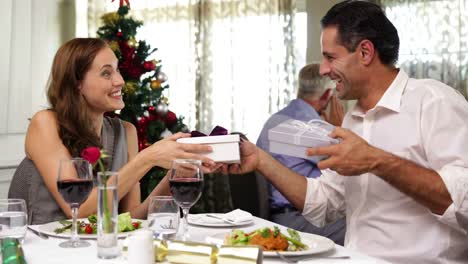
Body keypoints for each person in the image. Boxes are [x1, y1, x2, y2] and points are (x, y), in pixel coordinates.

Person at [224, 1, 468, 263]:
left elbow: (464, 204)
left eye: (330, 57)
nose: (323, 69)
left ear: (365, 52)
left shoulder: (433, 102)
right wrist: (260, 159)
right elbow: (323, 202)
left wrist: (377, 160)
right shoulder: (353, 120)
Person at [8, 38, 217, 225]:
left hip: (97, 251)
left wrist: (174, 175)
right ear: (77, 83)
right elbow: (79, 210)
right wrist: (147, 158)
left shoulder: (125, 131)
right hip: (40, 250)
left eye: (117, 70)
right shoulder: (45, 124)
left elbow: (132, 218)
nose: (120, 81)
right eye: (106, 73)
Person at [256, 63, 346, 245]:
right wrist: (340, 128)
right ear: (328, 96)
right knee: (365, 227)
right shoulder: (314, 127)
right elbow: (346, 164)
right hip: (298, 219)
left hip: (278, 216)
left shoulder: (275, 119)